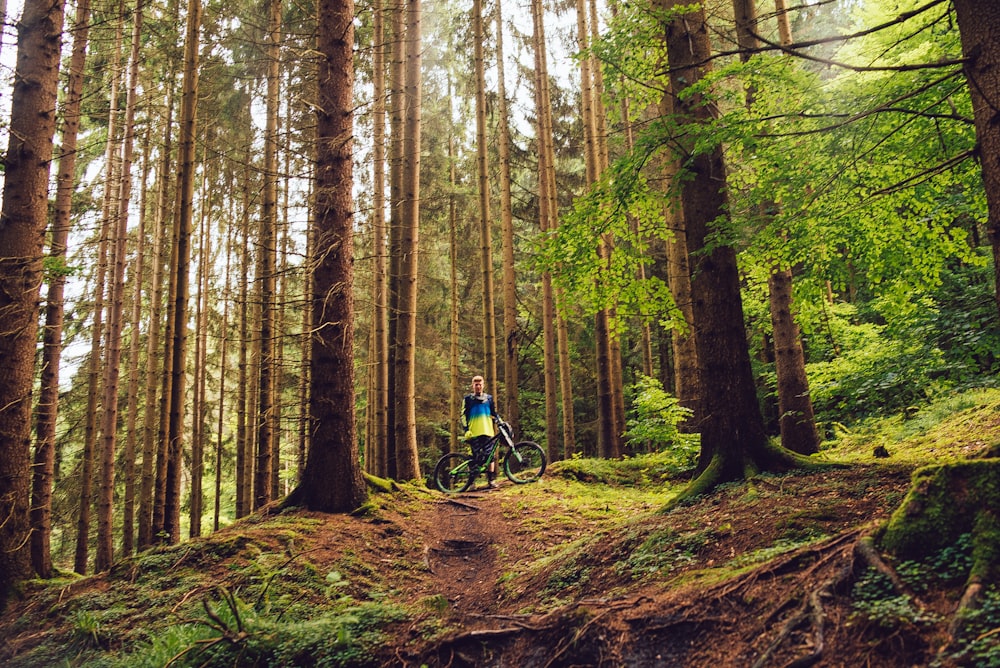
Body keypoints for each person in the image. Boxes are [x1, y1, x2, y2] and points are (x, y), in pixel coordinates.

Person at [462, 375, 499, 488]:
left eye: (480, 384)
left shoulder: (489, 398)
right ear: (472, 386)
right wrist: (466, 429)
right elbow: (463, 415)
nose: (478, 386)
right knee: (474, 456)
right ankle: (471, 483)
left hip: (488, 431)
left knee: (490, 456)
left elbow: (494, 413)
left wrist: (499, 421)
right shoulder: (468, 399)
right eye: (476, 384)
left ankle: (491, 480)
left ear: (483, 385)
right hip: (473, 433)